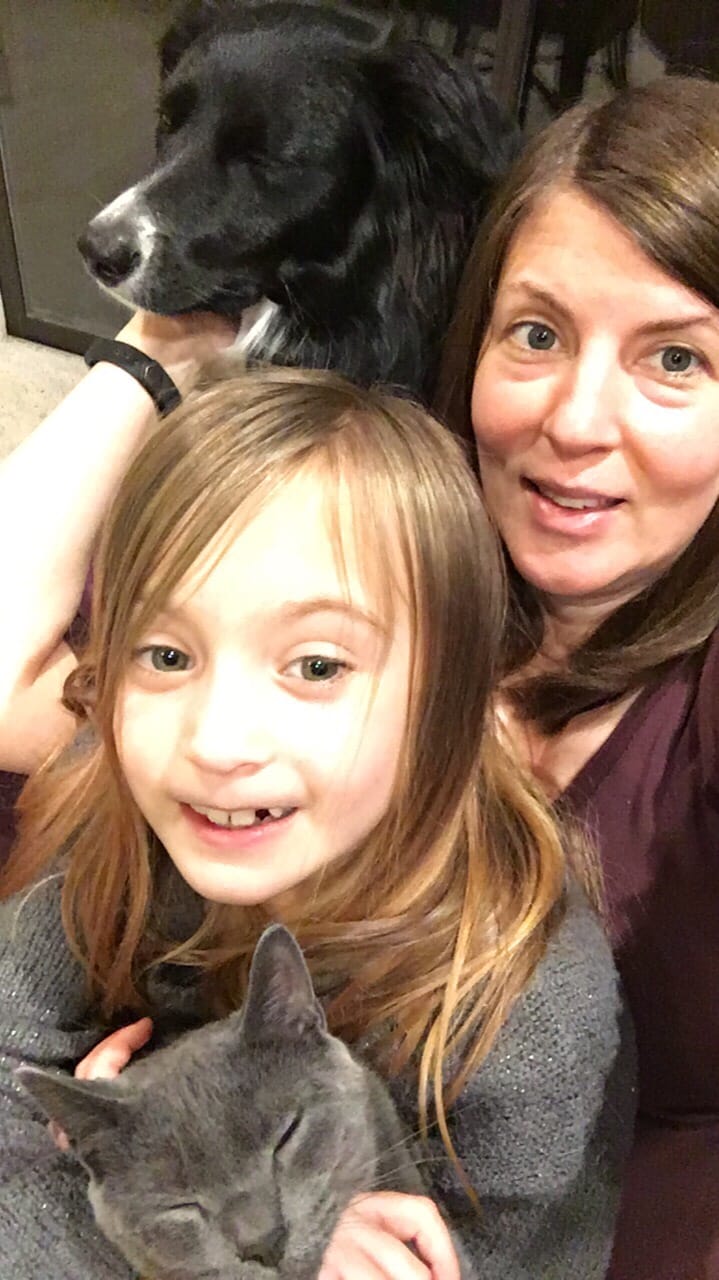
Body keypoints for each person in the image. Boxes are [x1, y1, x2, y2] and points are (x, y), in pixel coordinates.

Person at [0, 357, 630, 1278]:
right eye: (166, 655)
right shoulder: (118, 823)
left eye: (317, 665)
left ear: (446, 700)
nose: (216, 741)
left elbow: (521, 1254)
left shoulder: (526, 1009)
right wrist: (116, 1197)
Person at [436, 74, 719, 1280]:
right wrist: (151, 353)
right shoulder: (393, 569)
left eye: (674, 358)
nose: (573, 420)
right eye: (537, 334)